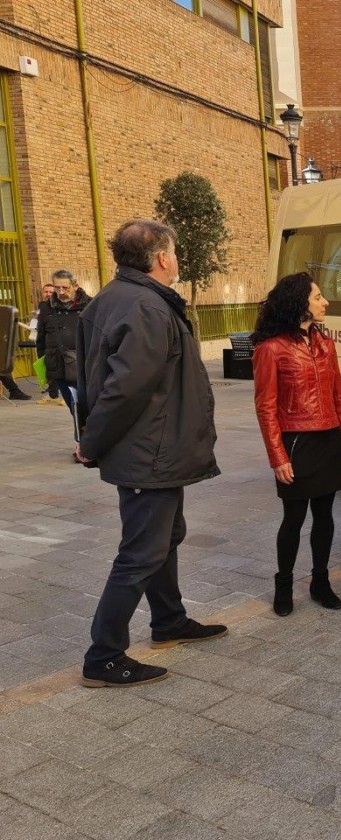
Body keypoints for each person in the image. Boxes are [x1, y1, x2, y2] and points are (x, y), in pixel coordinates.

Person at [76, 219, 226, 688]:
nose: (177, 260)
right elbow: (124, 390)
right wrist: (91, 441)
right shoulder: (145, 306)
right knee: (141, 552)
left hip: (152, 448)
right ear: (162, 257)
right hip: (150, 451)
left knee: (166, 536)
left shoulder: (115, 298)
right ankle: (103, 656)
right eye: (174, 253)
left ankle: (169, 620)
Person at [251, 272, 341, 616]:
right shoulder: (271, 349)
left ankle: (320, 581)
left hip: (327, 438)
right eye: (317, 297)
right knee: (293, 519)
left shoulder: (327, 345)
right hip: (296, 442)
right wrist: (277, 457)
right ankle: (283, 584)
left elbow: (339, 394)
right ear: (300, 304)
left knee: (325, 517)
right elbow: (265, 407)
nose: (325, 302)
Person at [36, 270, 91, 452]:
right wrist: (44, 366)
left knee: (87, 407)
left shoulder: (89, 305)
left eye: (65, 287)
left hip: (84, 367)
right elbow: (41, 340)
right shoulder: (46, 308)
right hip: (59, 367)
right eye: (57, 287)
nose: (61, 292)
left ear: (75, 286)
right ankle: (82, 445)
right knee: (73, 407)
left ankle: (90, 443)